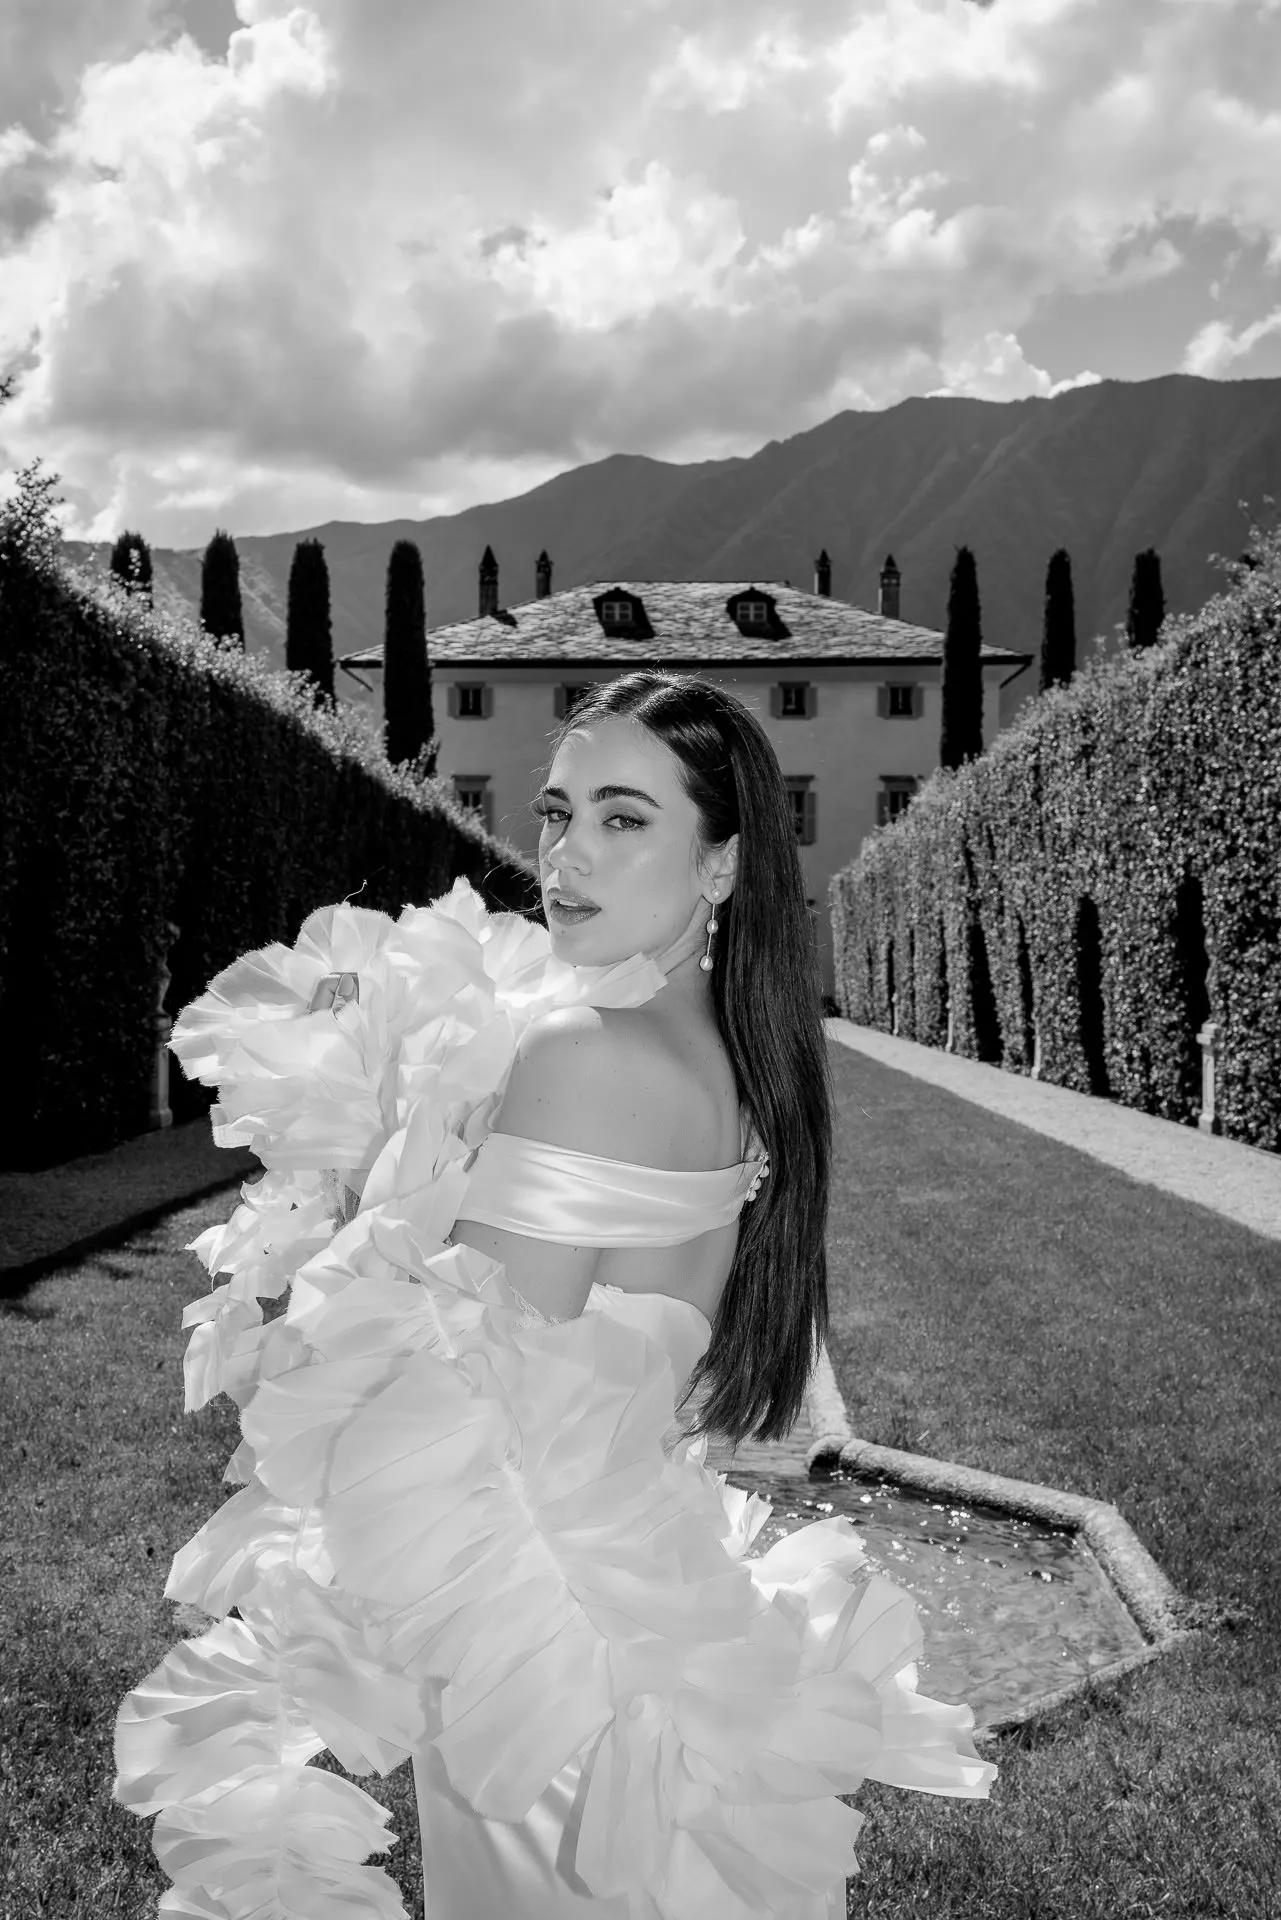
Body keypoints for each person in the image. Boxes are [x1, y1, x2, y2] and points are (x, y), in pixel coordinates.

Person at [113, 670, 996, 1919]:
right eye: (558, 810)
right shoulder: (728, 1058)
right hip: (642, 1597)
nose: (568, 853)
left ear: (722, 864)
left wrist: (352, 1219)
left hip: (533, 1650)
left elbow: (455, 1367)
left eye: (624, 817)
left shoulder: (583, 1052)